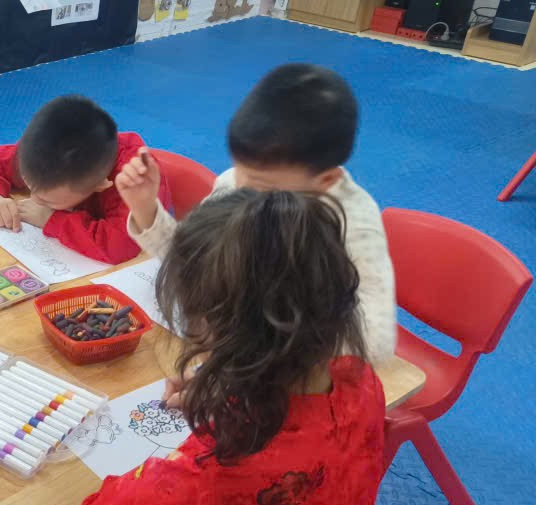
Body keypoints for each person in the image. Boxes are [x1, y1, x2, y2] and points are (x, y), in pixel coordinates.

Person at [82, 190, 385, 505]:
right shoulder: (361, 382)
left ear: (237, 343)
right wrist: (229, 386)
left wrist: (225, 405)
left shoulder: (219, 460)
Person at [117, 63, 396, 361]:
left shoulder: (353, 224)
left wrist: (262, 328)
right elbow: (195, 261)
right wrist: (146, 208)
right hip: (232, 351)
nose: (242, 190)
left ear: (326, 179)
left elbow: (376, 342)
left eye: (262, 187)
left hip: (294, 365)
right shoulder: (236, 182)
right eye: (239, 170)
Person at [0, 95, 172, 264]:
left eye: (48, 200)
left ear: (100, 185)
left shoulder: (133, 182)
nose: (34, 199)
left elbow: (120, 246)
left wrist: (51, 219)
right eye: (29, 184)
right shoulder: (43, 154)